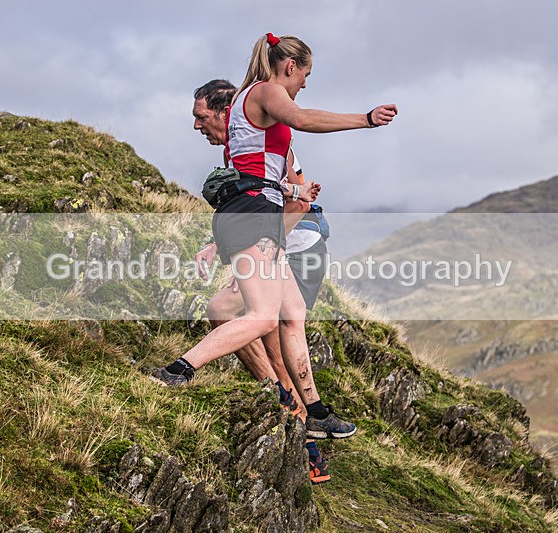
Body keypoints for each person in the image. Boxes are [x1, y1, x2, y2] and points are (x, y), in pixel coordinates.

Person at [153, 32, 397, 444]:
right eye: (305, 75)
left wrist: (292, 191)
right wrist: (365, 119)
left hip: (253, 213)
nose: (304, 85)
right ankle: (177, 371)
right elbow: (302, 119)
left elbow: (253, 168)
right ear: (289, 67)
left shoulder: (242, 110)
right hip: (254, 217)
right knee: (262, 317)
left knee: (293, 312)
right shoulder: (266, 91)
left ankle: (316, 412)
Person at [191, 78, 332, 483]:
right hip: (272, 239)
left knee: (269, 327)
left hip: (299, 242)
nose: (197, 126)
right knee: (226, 313)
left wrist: (261, 260)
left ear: (225, 113)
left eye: (201, 117)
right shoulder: (235, 148)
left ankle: (309, 443)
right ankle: (282, 399)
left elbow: (298, 204)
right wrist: (217, 246)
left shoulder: (264, 139)